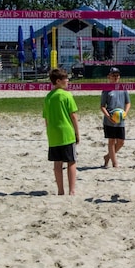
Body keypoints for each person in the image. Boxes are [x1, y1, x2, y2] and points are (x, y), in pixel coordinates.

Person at [43, 68, 80, 196]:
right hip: (66, 133)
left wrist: (49, 133)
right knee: (71, 161)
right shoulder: (67, 95)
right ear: (58, 81)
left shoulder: (48, 97)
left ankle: (60, 191)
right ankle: (72, 190)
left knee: (57, 164)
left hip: (53, 134)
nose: (67, 80)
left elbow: (46, 119)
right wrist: (77, 133)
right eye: (65, 79)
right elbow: (73, 116)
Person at [100, 67, 131, 168]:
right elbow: (102, 106)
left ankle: (107, 156)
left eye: (117, 75)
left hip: (120, 119)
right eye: (113, 75)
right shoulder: (106, 90)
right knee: (111, 141)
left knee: (121, 142)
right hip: (110, 120)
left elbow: (128, 103)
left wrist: (125, 113)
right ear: (109, 76)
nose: (116, 77)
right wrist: (108, 117)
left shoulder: (123, 88)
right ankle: (114, 163)